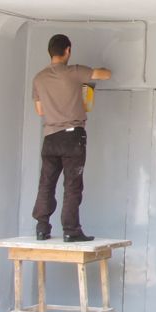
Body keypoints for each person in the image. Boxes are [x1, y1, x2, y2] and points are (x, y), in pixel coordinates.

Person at [31, 34, 111, 242]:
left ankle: (41, 227)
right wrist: (102, 68)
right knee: (72, 184)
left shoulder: (39, 78)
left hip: (50, 138)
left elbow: (39, 110)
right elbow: (104, 75)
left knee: (46, 183)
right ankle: (71, 230)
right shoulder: (74, 72)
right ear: (68, 50)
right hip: (72, 137)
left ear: (50, 52)